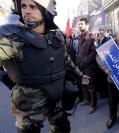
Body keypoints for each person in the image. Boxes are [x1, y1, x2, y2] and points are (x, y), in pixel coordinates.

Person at [0, 0, 89, 132]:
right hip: (29, 105)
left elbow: (66, 60)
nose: (27, 11)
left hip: (56, 98)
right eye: (23, 6)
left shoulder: (56, 37)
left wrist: (81, 76)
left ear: (46, 12)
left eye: (33, 6)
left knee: (63, 128)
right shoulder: (10, 38)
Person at [71, 17, 97, 114]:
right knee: (84, 84)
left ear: (87, 25)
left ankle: (93, 105)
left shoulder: (91, 37)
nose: (79, 25)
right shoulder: (79, 37)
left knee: (90, 86)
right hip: (80, 65)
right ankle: (86, 100)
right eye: (79, 24)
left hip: (89, 67)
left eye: (81, 24)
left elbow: (94, 52)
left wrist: (85, 61)